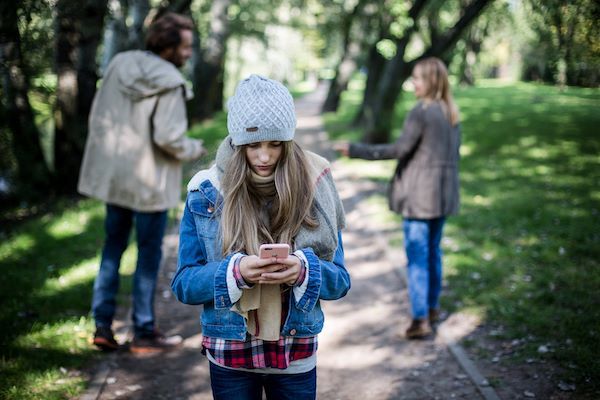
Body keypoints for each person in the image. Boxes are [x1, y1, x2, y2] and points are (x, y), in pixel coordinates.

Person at [172, 75, 350, 399]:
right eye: (254, 145)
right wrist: (234, 273)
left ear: (288, 141)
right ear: (238, 143)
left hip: (295, 351)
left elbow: (340, 281)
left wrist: (303, 272)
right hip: (230, 354)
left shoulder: (316, 184)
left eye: (275, 144)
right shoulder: (205, 191)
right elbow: (184, 284)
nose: (264, 156)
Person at [78, 13, 207, 353]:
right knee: (148, 255)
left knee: (112, 247)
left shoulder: (120, 64)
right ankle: (144, 330)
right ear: (168, 46)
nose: (189, 53)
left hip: (117, 178)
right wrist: (194, 147)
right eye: (186, 46)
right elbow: (169, 137)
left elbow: (100, 113)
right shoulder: (171, 82)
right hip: (150, 183)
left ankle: (102, 326)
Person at [334, 57, 460, 339]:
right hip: (443, 196)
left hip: (420, 198)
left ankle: (419, 319)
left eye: (417, 78)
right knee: (433, 253)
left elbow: (400, 149)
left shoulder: (422, 111)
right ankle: (432, 308)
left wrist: (356, 149)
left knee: (417, 257)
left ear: (431, 81)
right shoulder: (451, 113)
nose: (412, 83)